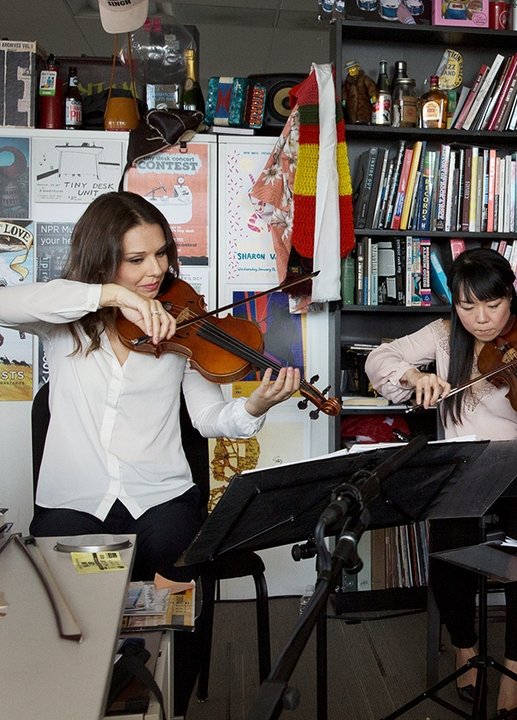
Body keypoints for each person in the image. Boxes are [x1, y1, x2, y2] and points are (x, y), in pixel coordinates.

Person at [4, 191, 301, 716]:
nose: (155, 271)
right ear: (101, 259)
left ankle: (172, 707)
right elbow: (8, 303)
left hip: (162, 495)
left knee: (179, 585)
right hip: (74, 500)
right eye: (136, 259)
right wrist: (112, 298)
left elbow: (211, 420)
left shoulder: (180, 323)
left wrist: (254, 403)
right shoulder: (63, 317)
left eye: (161, 254)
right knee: (75, 619)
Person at [364, 247, 517, 719]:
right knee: (450, 538)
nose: (480, 319)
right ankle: (465, 648)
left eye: (492, 306)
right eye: (467, 306)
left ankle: (516, 670)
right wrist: (415, 375)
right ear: (453, 304)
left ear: (510, 299)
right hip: (462, 467)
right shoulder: (442, 335)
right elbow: (380, 359)